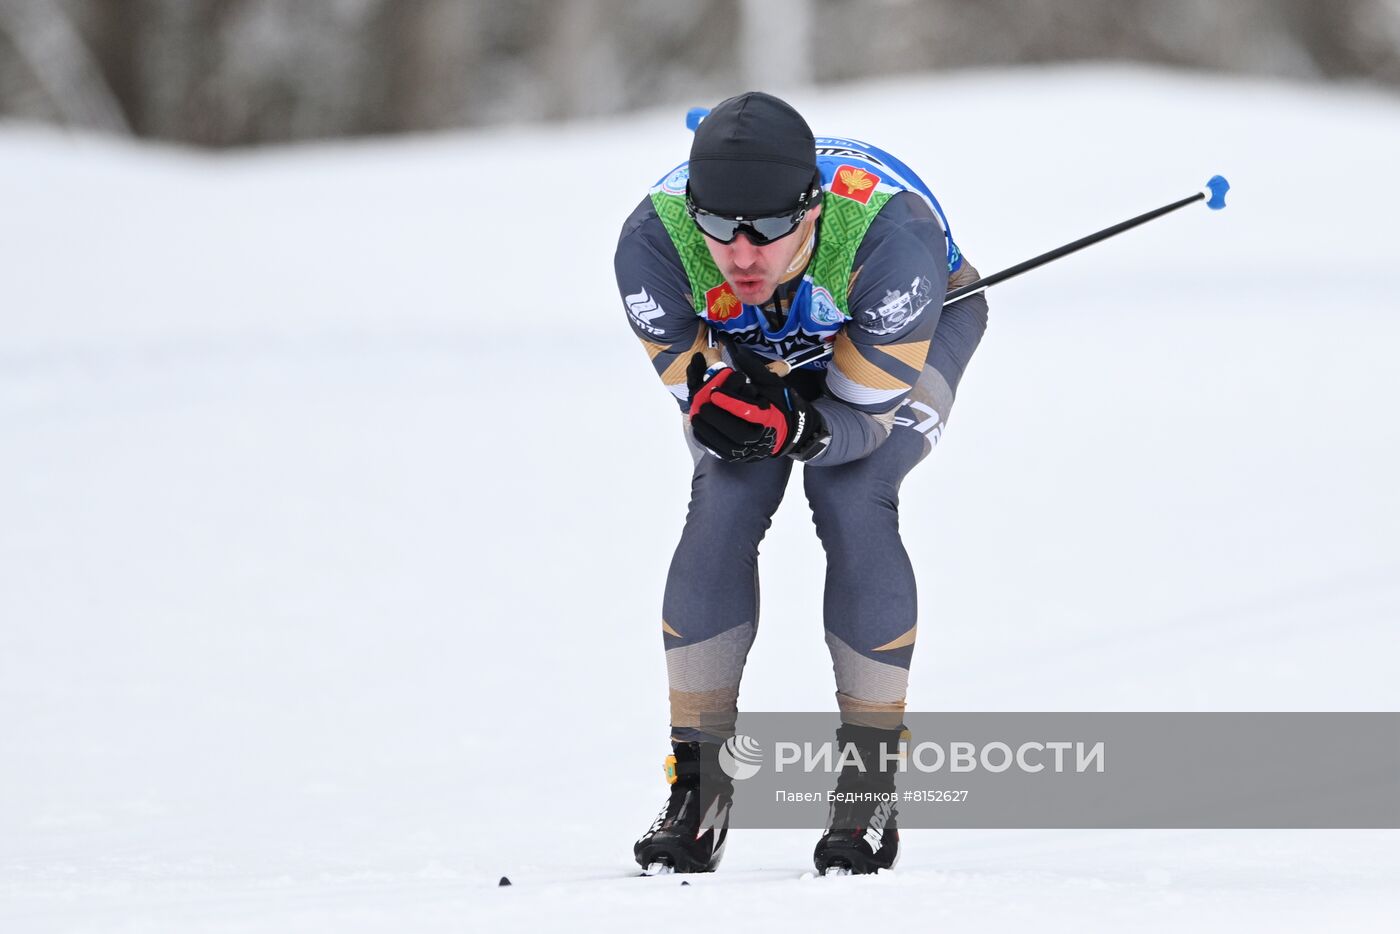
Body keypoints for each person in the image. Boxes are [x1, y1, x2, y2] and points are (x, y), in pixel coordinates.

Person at [614, 91, 989, 875]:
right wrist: (738, 403)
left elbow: (859, 428)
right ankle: (701, 788)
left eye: (770, 231)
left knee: (852, 494)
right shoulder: (653, 245)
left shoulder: (892, 245)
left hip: (903, 327)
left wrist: (805, 425)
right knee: (728, 492)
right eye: (720, 229)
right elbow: (712, 408)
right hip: (758, 345)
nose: (743, 255)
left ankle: (868, 786)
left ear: (812, 213)